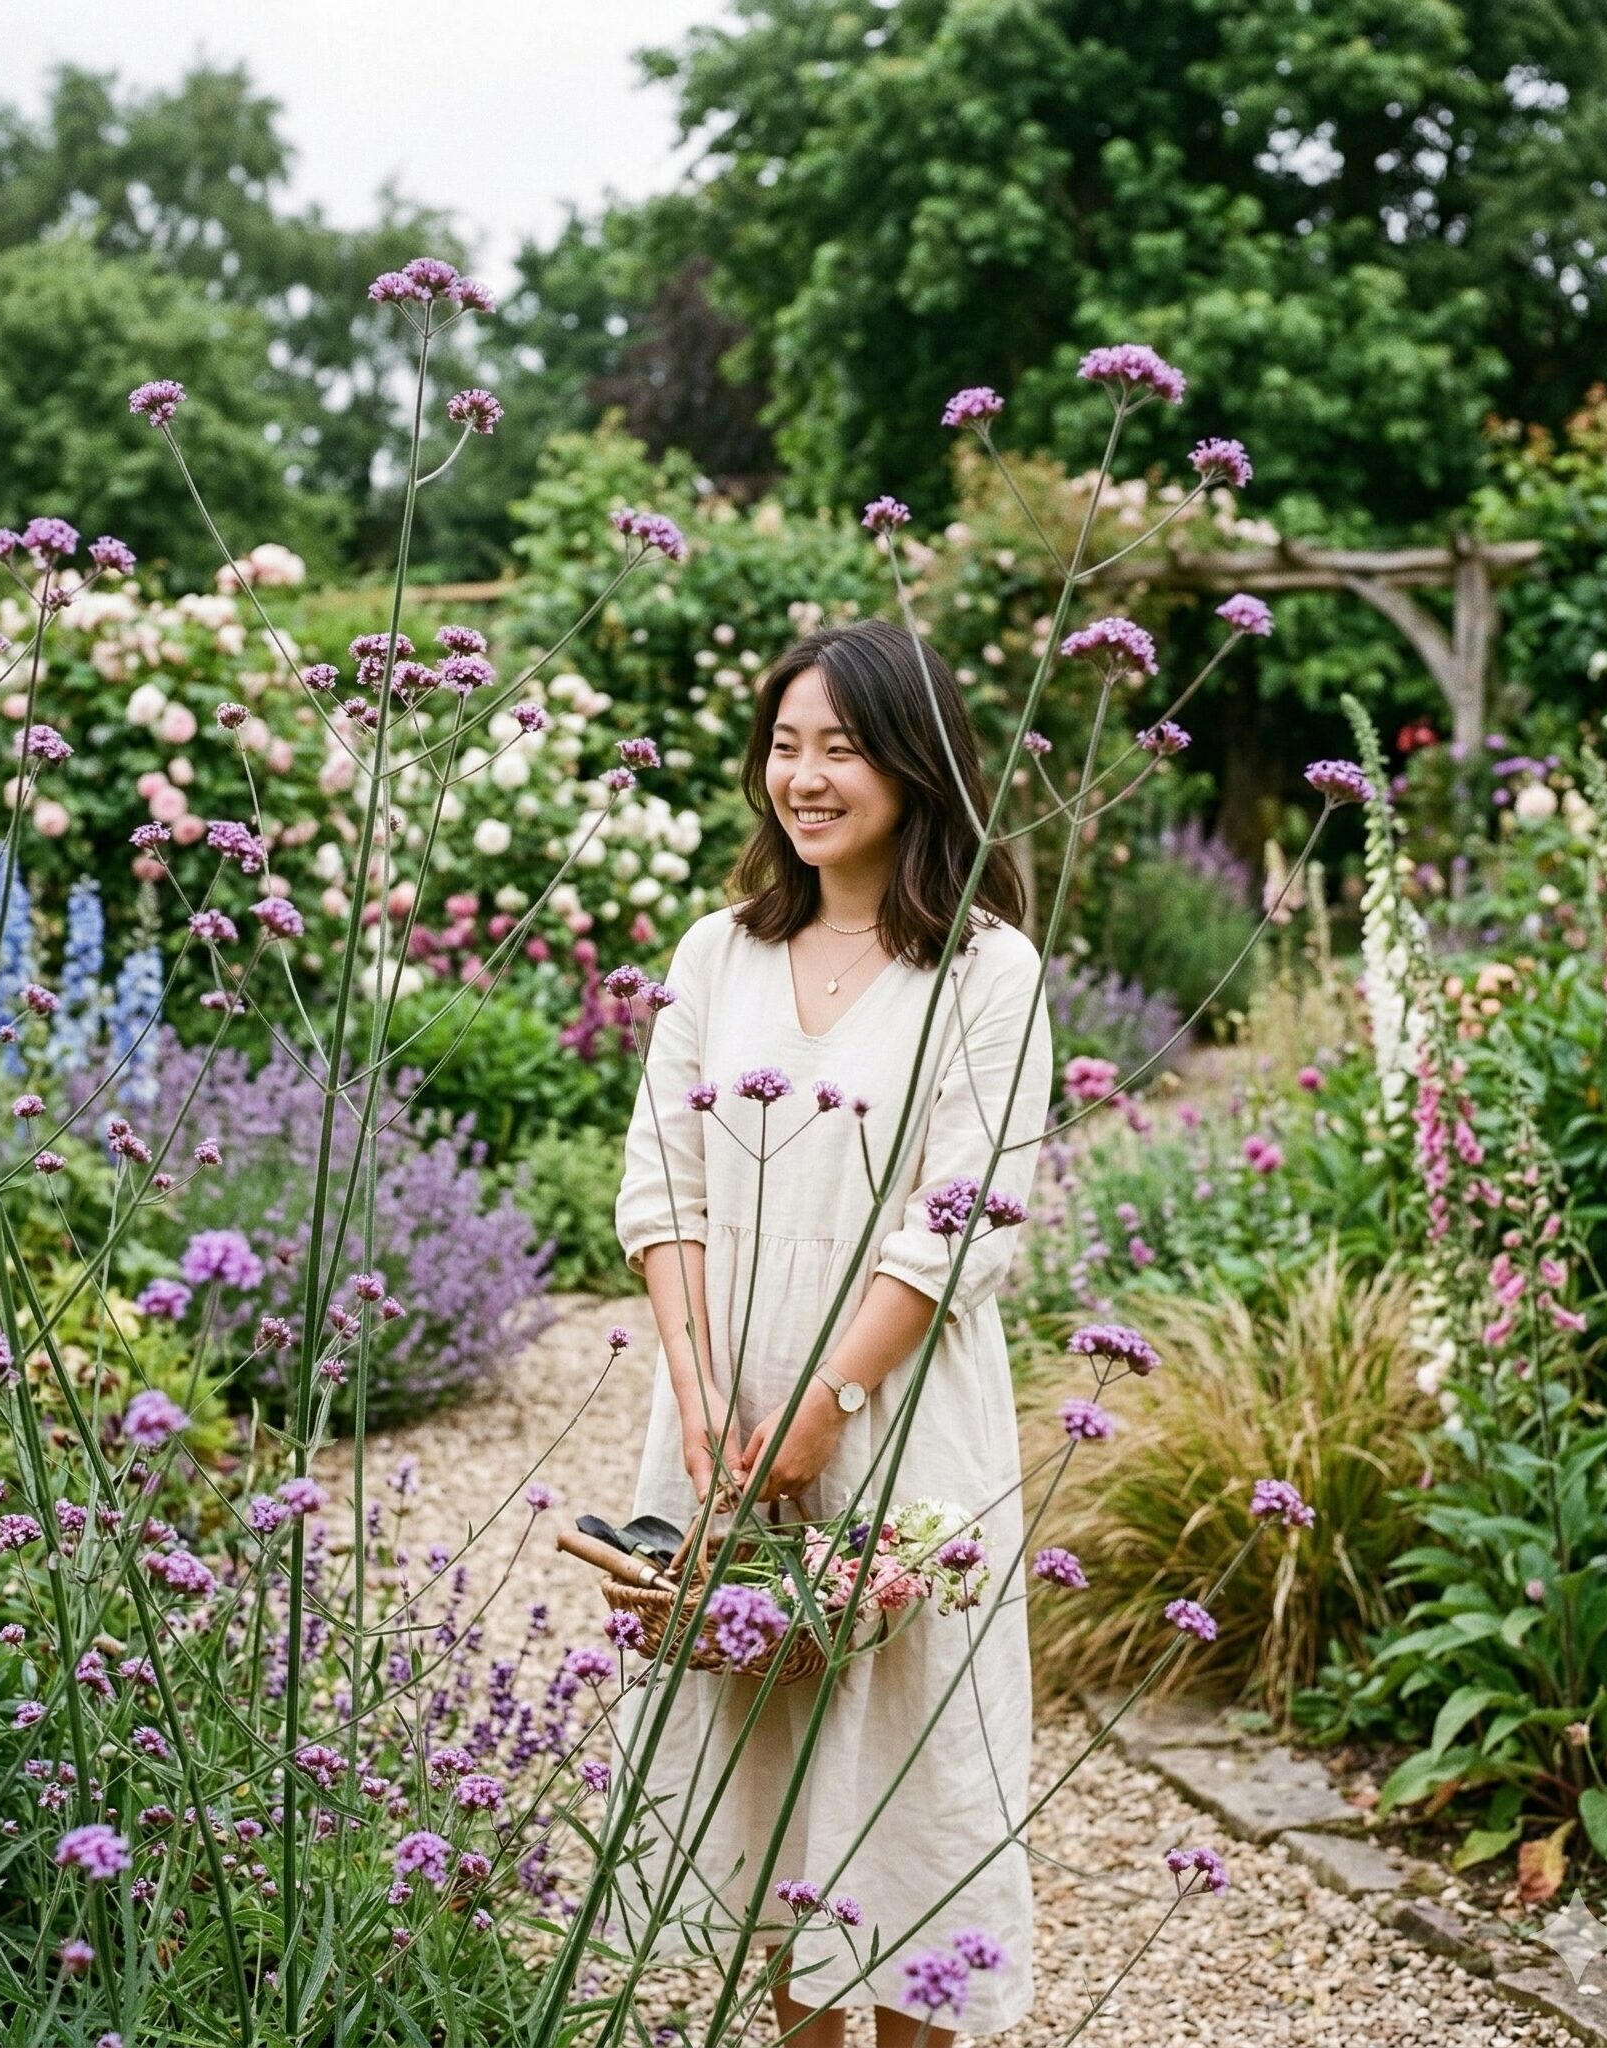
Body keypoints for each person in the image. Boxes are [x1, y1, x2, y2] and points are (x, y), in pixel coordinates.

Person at [611, 617, 1055, 2044]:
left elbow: (962, 1219)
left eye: (841, 749)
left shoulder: (987, 973)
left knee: (907, 1790)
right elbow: (659, 1187)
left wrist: (824, 1413)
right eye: (785, 747)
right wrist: (700, 1402)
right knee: (770, 1789)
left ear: (916, 767)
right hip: (726, 1428)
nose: (804, 778)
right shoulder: (717, 951)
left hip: (903, 1427)